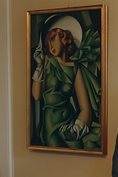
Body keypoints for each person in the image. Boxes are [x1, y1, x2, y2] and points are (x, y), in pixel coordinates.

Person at [30, 19, 101, 150]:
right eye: (47, 43)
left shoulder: (75, 68)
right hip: (50, 126)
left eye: (52, 38)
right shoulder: (47, 62)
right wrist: (39, 65)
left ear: (63, 36)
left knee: (84, 147)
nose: (50, 45)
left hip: (69, 124)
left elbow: (85, 108)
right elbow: (36, 96)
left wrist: (76, 129)